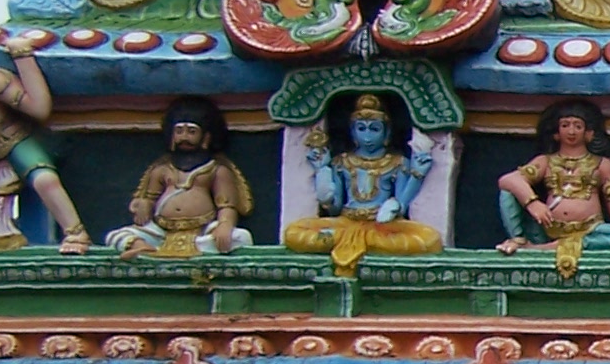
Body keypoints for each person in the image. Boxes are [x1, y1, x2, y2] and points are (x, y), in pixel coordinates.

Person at [281, 92, 439, 273]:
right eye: (361, 129)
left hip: (382, 227)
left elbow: (401, 205)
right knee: (293, 233)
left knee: (429, 238)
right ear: (352, 132)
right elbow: (334, 208)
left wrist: (416, 176)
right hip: (345, 223)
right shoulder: (342, 162)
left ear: (386, 132)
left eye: (374, 129)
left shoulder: (398, 162)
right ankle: (360, 242)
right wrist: (322, 173)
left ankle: (363, 242)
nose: (367, 137)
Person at [496, 98, 610, 278]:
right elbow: (508, 180)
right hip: (549, 228)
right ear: (556, 133)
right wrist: (533, 203)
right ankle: (518, 239)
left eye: (577, 126)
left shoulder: (602, 165)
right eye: (565, 125)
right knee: (509, 191)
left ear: (589, 133)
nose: (571, 131)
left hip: (590, 231)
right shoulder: (546, 161)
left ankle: (542, 249)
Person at [106, 97, 255, 257]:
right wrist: (144, 204)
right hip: (161, 233)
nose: (184, 137)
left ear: (206, 137)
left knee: (241, 237)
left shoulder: (216, 170)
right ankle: (142, 246)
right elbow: (149, 197)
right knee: (114, 236)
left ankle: (202, 250)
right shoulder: (162, 170)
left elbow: (227, 206)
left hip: (202, 232)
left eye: (191, 132)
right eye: (179, 131)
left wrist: (225, 225)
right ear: (171, 136)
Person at [0, 42, 89, 253]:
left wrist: (23, 57)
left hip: (12, 140)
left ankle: (75, 233)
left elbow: (39, 108)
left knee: (45, 179)